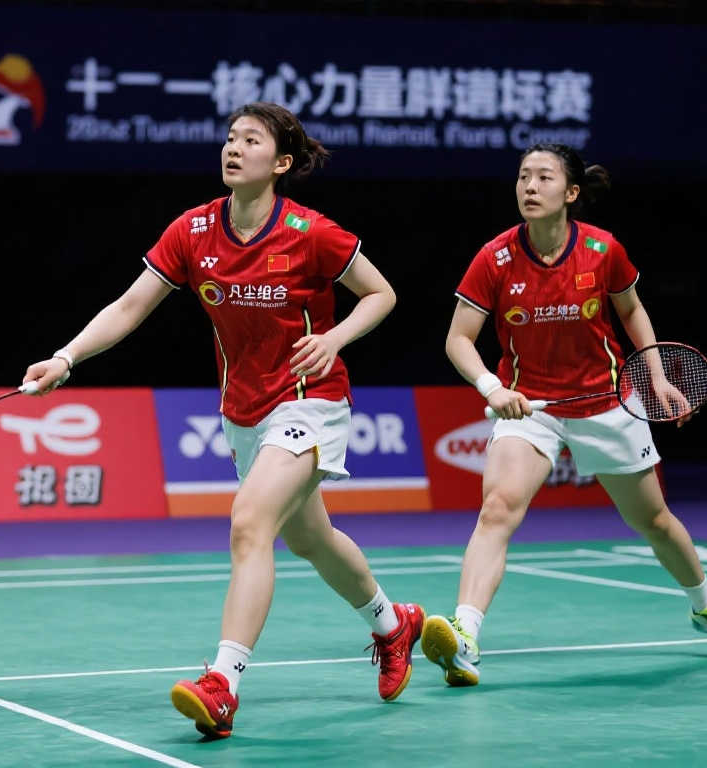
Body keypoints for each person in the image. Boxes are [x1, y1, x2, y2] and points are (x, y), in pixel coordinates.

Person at [23, 102, 424, 739]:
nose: (233, 148)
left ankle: (223, 683)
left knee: (249, 522)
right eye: (230, 138)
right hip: (244, 410)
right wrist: (66, 357)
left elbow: (382, 293)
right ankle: (392, 624)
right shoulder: (194, 231)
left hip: (310, 399)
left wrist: (335, 338)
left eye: (251, 141)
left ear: (282, 162)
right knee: (311, 539)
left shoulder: (311, 232)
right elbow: (130, 306)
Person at [420, 143, 707, 687]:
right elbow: (458, 338)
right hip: (531, 407)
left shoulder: (602, 250)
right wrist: (492, 386)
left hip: (605, 401)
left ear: (571, 192)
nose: (530, 186)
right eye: (523, 177)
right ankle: (465, 635)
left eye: (543, 177)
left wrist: (655, 375)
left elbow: (632, 309)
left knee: (653, 521)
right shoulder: (495, 258)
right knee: (497, 510)